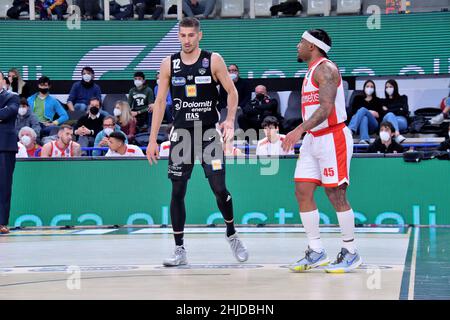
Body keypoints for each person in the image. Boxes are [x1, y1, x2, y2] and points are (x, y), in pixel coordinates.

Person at [146, 17, 248, 266]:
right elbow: (159, 103)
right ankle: (179, 249)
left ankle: (232, 233)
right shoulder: (168, 63)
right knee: (177, 191)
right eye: (182, 35)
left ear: (199, 35)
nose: (187, 40)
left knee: (219, 189)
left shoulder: (213, 60)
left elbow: (232, 92)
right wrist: (152, 140)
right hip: (181, 135)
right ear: (178, 36)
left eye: (191, 35)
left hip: (208, 134)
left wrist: (230, 120)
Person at [282, 29, 362, 273]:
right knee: (302, 190)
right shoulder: (309, 72)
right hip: (313, 139)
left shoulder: (326, 69)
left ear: (313, 47)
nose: (298, 46)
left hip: (332, 137)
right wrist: (304, 133)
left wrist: (297, 130)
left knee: (336, 194)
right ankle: (316, 251)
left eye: (302, 42)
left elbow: (326, 109)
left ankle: (351, 252)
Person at [0, 72, 20, 234]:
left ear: (3, 81)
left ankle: (1, 223)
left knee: (4, 185)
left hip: (4, 146)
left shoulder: (12, 97)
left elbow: (7, 113)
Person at [348, 80, 383, 144]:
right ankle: (365, 139)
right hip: (359, 125)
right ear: (364, 88)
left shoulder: (377, 100)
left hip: (373, 125)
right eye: (367, 86)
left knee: (363, 109)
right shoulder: (357, 98)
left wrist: (368, 112)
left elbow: (379, 115)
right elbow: (353, 113)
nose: (369, 88)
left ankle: (350, 130)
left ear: (374, 89)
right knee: (364, 118)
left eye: (371, 87)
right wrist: (370, 112)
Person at [381, 79, 409, 144]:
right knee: (390, 115)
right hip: (386, 123)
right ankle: (397, 135)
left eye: (390, 87)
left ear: (395, 87)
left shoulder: (403, 98)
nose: (388, 89)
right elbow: (383, 113)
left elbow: (405, 111)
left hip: (401, 121)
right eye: (387, 87)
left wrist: (388, 110)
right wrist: (398, 109)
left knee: (390, 114)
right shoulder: (383, 101)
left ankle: (395, 132)